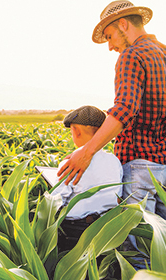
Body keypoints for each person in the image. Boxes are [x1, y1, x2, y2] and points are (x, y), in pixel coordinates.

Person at [57, 0, 166, 222]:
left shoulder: (130, 56)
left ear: (123, 25)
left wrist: (87, 152)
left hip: (139, 169)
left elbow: (124, 110)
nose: (110, 46)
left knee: (137, 248)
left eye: (109, 36)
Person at [52, 105, 122, 251]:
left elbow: (56, 200)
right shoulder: (115, 161)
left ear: (76, 132)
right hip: (106, 227)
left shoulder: (70, 163)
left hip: (75, 230)